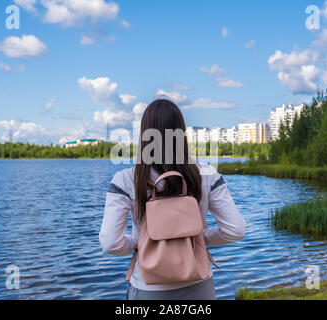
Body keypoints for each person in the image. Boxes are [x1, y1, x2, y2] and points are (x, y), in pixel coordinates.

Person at [99, 99, 246, 300]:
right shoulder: (208, 175)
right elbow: (235, 230)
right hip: (199, 286)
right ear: (181, 133)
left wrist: (140, 243)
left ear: (144, 135)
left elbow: (110, 243)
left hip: (147, 288)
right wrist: (197, 240)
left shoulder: (125, 180)